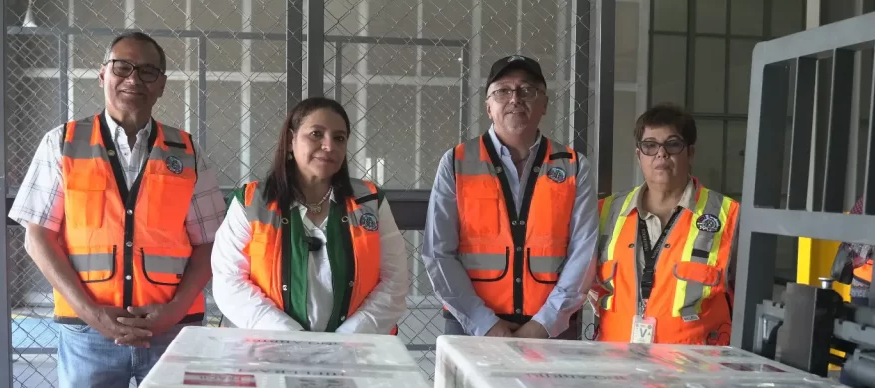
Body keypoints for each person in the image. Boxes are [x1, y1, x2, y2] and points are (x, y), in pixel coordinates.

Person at [9, 33, 225, 388]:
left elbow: (208, 243)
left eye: (148, 71)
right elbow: (39, 235)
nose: (134, 79)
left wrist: (174, 311)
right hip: (87, 336)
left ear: (163, 86)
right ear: (101, 74)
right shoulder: (63, 143)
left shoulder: (186, 151)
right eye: (122, 68)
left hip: (172, 334)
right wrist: (92, 314)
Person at [422, 55, 597, 339]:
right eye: (503, 90)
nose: (515, 98)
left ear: (544, 105)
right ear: (488, 106)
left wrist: (544, 324)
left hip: (552, 331)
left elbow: (585, 252)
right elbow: (437, 252)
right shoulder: (457, 162)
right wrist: (485, 324)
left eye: (527, 90)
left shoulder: (574, 166)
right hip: (472, 329)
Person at [211, 97, 408, 333]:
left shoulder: (370, 202)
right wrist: (292, 338)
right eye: (316, 134)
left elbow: (394, 280)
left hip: (355, 353)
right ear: (290, 140)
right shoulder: (251, 202)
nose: (329, 145)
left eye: (339, 138)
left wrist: (348, 339)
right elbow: (229, 282)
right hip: (265, 353)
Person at [594, 103, 739, 345]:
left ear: (690, 153)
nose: (661, 154)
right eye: (650, 146)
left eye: (672, 144)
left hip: (695, 371)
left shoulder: (728, 215)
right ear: (638, 154)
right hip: (617, 366)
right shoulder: (605, 212)